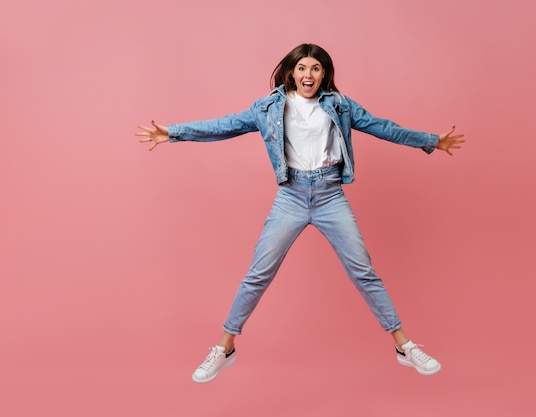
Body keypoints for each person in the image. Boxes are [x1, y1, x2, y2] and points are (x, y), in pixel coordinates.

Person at [136, 43, 464, 383]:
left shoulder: (339, 105)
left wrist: (430, 141)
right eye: (303, 68)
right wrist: (174, 133)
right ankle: (224, 349)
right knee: (258, 274)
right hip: (291, 196)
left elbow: (383, 126)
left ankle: (404, 347)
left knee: (363, 272)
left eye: (316, 69)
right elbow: (225, 125)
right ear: (292, 71)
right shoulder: (268, 107)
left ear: (325, 74)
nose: (309, 75)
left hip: (330, 194)